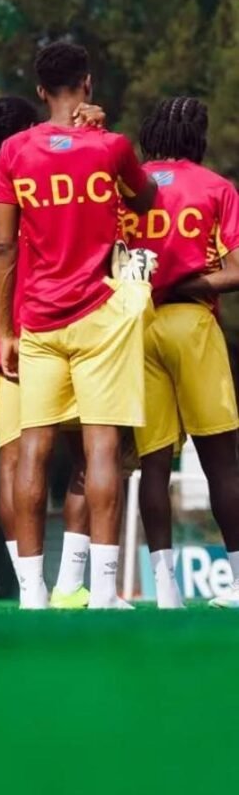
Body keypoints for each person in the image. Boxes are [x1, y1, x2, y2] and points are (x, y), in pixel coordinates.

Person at [0, 42, 156, 610]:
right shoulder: (111, 146)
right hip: (100, 316)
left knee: (33, 449)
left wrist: (5, 328)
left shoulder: (14, 151)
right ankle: (105, 591)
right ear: (86, 83)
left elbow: (4, 244)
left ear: (40, 91)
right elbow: (148, 197)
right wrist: (102, 132)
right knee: (102, 448)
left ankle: (33, 592)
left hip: (37, 317)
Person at [0, 93, 92, 607]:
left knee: (14, 462)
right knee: (86, 453)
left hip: (0, 348)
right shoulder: (41, 181)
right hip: (63, 331)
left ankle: (29, 584)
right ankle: (73, 584)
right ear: (31, 130)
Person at [123, 97, 239, 610]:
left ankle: (165, 590)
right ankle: (237, 582)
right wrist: (191, 285)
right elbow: (236, 271)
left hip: (136, 327)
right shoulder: (216, 186)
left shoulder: (126, 185)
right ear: (198, 136)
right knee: (222, 465)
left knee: (152, 466)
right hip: (192, 326)